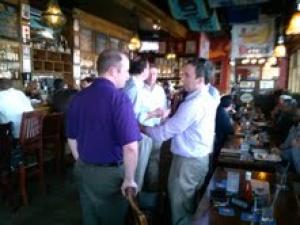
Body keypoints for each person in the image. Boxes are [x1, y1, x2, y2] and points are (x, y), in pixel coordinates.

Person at [66, 50, 141, 225]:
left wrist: (82, 162)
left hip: (84, 170)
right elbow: (130, 147)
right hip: (109, 176)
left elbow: (71, 137)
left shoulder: (78, 97)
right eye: (126, 70)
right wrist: (129, 179)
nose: (128, 76)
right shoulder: (119, 99)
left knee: (89, 218)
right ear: (113, 71)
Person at [142, 58, 218, 225]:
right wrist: (167, 115)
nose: (182, 78)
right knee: (187, 205)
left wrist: (140, 127)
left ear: (200, 80)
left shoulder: (195, 103)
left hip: (187, 163)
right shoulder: (207, 96)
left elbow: (163, 133)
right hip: (197, 160)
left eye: (186, 75)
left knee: (180, 209)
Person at [123, 56, 153, 191]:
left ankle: (136, 188)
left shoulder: (136, 85)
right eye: (148, 68)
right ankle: (134, 189)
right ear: (144, 70)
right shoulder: (132, 87)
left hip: (134, 128)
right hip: (130, 132)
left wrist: (152, 114)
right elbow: (126, 114)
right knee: (146, 143)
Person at [141, 63, 168, 190]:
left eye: (155, 73)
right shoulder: (138, 88)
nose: (153, 76)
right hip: (141, 130)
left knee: (154, 160)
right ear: (145, 73)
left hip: (156, 129)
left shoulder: (160, 90)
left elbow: (164, 108)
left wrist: (165, 114)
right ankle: (138, 193)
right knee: (140, 161)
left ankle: (151, 189)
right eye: (150, 73)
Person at [214, 95, 235, 164]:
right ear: (229, 104)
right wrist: (233, 130)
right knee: (216, 157)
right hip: (219, 138)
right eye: (231, 104)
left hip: (217, 136)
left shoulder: (220, 109)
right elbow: (228, 130)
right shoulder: (222, 113)